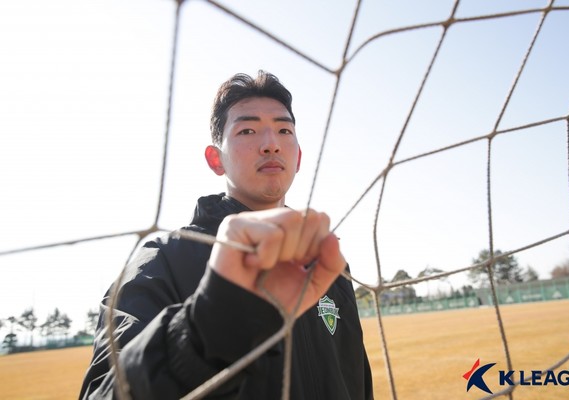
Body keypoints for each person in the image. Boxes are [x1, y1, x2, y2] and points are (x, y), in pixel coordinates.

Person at [79, 71, 373, 399]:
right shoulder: (162, 260)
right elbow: (102, 393)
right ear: (215, 159)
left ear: (299, 157)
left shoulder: (329, 264)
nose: (271, 144)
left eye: (284, 129)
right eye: (247, 130)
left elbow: (355, 381)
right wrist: (204, 330)